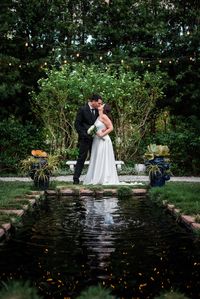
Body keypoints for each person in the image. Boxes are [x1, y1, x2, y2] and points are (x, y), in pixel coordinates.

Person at [83, 103, 119, 185]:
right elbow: (103, 126)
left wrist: (102, 134)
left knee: (102, 158)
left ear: (104, 108)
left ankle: (104, 178)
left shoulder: (104, 116)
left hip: (103, 140)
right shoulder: (99, 116)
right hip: (97, 140)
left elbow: (111, 127)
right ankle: (96, 176)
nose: (100, 105)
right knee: (97, 157)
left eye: (102, 105)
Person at [73, 94, 103, 184]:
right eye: (98, 103)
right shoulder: (82, 109)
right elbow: (77, 124)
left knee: (95, 158)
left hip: (96, 139)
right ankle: (76, 178)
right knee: (82, 157)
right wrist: (84, 134)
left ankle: (94, 179)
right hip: (84, 139)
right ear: (93, 101)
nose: (99, 105)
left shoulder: (98, 110)